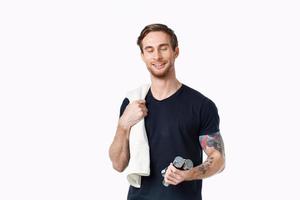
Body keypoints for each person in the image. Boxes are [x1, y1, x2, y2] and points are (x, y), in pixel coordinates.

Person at [109, 23, 225, 200]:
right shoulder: (132, 103)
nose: (157, 56)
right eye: (149, 50)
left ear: (175, 51)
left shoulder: (201, 105)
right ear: (142, 56)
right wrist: (123, 125)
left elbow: (218, 159)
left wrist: (188, 174)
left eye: (163, 48)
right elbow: (118, 164)